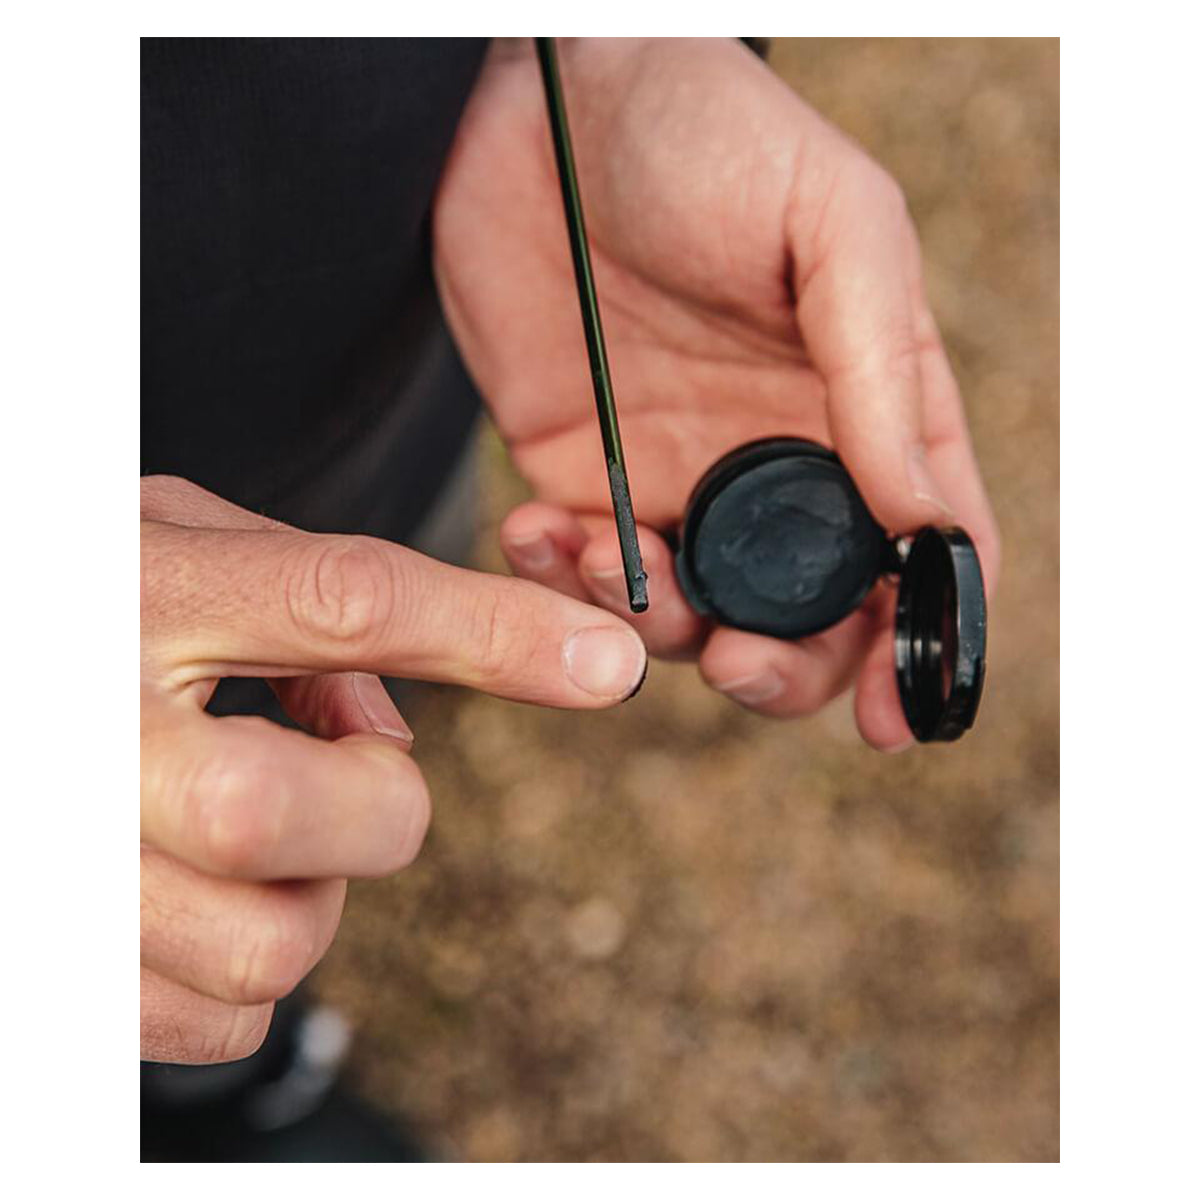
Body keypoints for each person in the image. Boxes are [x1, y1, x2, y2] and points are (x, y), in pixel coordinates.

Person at [141, 37, 1000, 1072]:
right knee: (174, 863)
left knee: (261, 783)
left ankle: (227, 1080)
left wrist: (596, 44)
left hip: (400, 319)